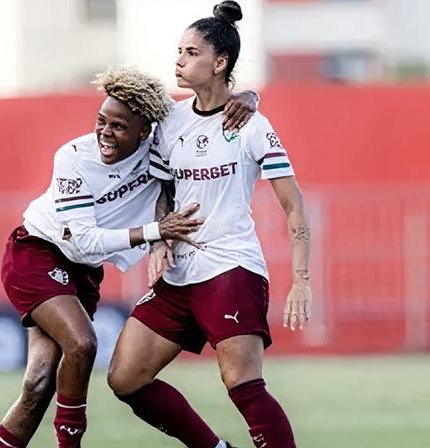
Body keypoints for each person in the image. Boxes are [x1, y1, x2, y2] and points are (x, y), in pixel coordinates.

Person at [0, 66, 256, 448]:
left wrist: (249, 98)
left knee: (40, 382)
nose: (105, 134)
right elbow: (82, 241)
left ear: (144, 133)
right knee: (82, 344)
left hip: (82, 272)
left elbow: (205, 109)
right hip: (38, 253)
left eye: (118, 126)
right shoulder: (74, 158)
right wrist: (155, 233)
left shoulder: (160, 146)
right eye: (101, 122)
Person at [107, 2, 311, 448]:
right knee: (125, 377)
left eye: (191, 52)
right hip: (181, 274)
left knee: (241, 381)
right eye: (178, 51)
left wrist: (301, 280)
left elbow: (294, 206)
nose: (179, 60)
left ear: (220, 63)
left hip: (231, 268)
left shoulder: (252, 124)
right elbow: (164, 192)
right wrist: (160, 238)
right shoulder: (169, 121)